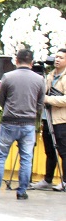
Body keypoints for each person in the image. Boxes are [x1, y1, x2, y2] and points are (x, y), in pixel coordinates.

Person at [0, 49, 45, 200]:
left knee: (0, 156)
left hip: (9, 122)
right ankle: (22, 191)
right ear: (32, 63)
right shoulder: (40, 80)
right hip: (28, 124)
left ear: (16, 61)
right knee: (26, 159)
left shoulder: (8, 77)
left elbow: (2, 99)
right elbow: (40, 103)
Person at [30, 47, 66, 191]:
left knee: (63, 151)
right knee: (49, 151)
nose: (57, 60)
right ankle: (47, 179)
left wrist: (48, 99)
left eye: (61, 58)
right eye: (56, 57)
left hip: (61, 120)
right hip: (47, 118)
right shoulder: (50, 75)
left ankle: (65, 181)